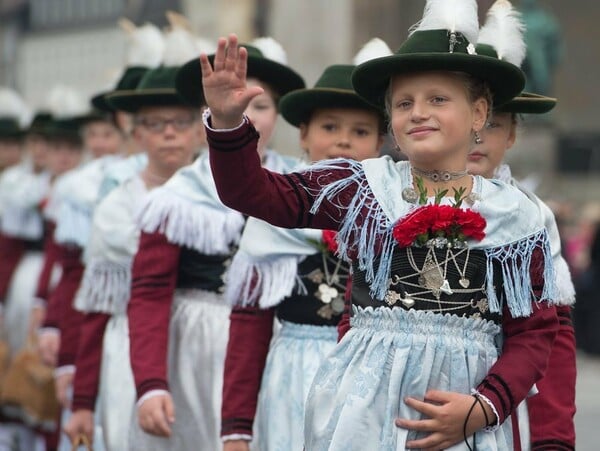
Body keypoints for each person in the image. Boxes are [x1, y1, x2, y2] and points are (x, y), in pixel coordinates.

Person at [195, 0, 560, 449]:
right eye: (403, 103)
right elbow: (252, 194)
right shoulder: (361, 187)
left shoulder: (518, 216)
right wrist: (229, 125)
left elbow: (535, 332)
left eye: (438, 99)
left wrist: (484, 406)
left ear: (480, 113)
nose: (419, 112)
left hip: (464, 416)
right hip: (360, 415)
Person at [124, 37, 303, 451]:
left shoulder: (299, 187)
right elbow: (149, 293)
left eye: (259, 105)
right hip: (195, 352)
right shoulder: (177, 197)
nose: (246, 114)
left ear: (278, 114)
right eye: (234, 103)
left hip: (277, 347)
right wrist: (151, 383)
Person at [219, 38, 390, 451]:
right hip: (293, 376)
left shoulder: (395, 214)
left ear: (382, 143)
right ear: (304, 135)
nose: (344, 141)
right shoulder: (274, 215)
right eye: (330, 128)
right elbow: (249, 328)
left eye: (361, 131)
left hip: (369, 381)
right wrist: (236, 428)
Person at [63, 18, 203, 450]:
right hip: (132, 347)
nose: (168, 134)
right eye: (155, 123)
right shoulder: (118, 206)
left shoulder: (220, 198)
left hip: (205, 343)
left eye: (179, 122)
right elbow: (96, 310)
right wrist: (82, 400)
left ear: (200, 127)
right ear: (136, 132)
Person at [465, 3, 576, 448]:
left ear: (512, 134)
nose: (476, 136)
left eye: (492, 124)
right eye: (467, 119)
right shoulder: (394, 200)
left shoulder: (531, 217)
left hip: (500, 412)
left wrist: (552, 438)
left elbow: (553, 339)